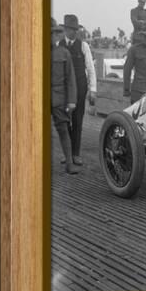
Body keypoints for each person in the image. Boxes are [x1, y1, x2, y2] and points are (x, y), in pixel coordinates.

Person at [59, 14, 97, 166]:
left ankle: (76, 154)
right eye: (70, 29)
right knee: (64, 121)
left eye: (75, 29)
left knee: (77, 121)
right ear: (65, 29)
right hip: (63, 90)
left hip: (80, 88)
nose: (72, 32)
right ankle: (66, 153)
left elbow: (91, 69)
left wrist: (93, 90)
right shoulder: (58, 45)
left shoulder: (84, 46)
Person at [50, 18, 78, 174]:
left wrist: (72, 101)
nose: (52, 36)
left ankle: (69, 163)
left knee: (63, 129)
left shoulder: (64, 53)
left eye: (54, 33)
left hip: (59, 98)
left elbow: (71, 79)